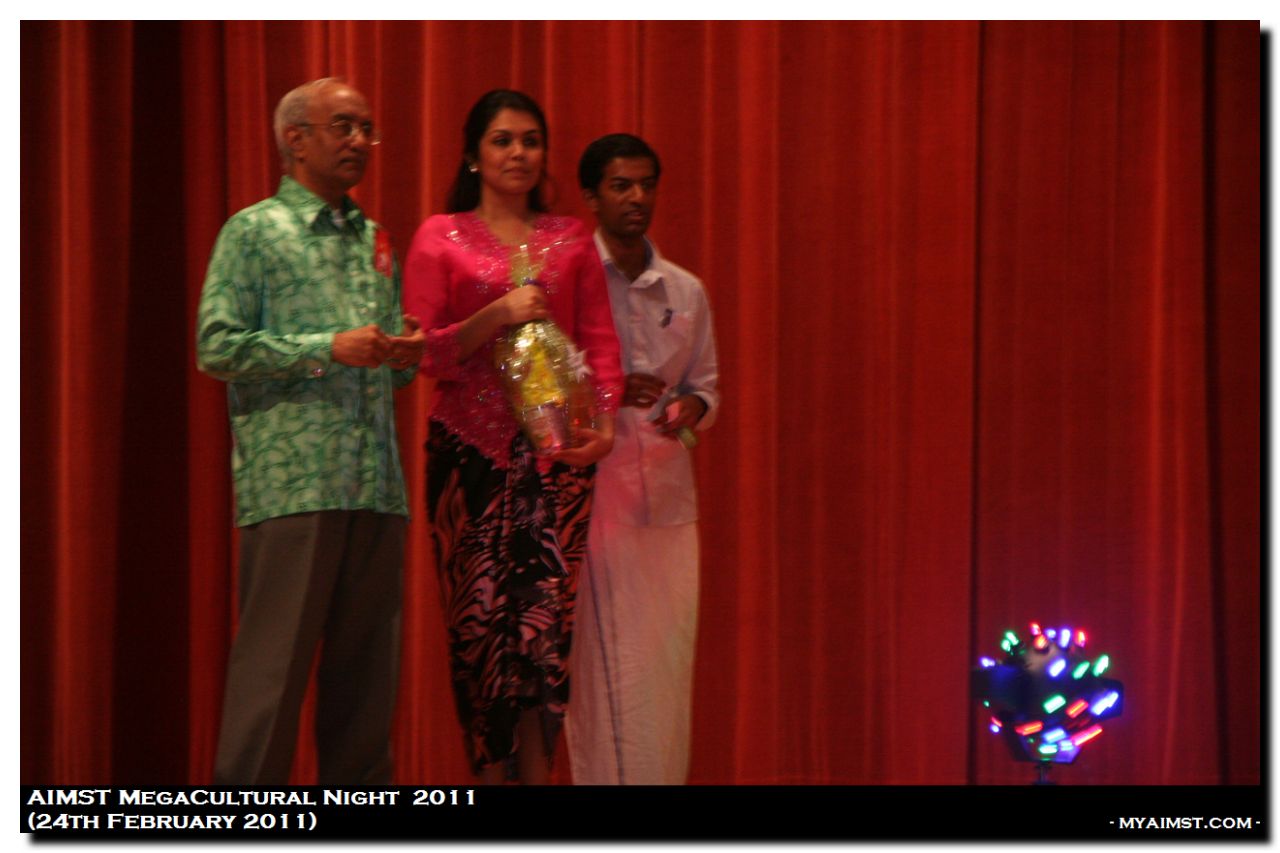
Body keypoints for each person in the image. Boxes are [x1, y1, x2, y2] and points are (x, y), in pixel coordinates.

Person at [196, 77, 423, 784]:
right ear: (295, 139)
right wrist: (327, 347)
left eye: (367, 129)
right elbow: (216, 345)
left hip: (376, 485)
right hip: (294, 486)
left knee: (366, 700)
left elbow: (386, 366)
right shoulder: (254, 230)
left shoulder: (374, 238)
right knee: (270, 688)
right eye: (343, 127)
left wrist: (401, 352)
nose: (360, 141)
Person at [403, 90, 623, 784]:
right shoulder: (440, 236)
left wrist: (604, 424)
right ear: (473, 154)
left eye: (530, 140)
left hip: (557, 462)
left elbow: (599, 342)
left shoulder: (572, 238)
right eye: (502, 140)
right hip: (468, 459)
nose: (518, 153)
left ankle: (537, 778)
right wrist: (496, 314)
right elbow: (421, 352)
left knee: (544, 639)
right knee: (480, 640)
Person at [565, 134, 720, 785]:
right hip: (596, 504)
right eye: (620, 185)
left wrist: (691, 409)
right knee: (605, 677)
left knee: (664, 671)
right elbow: (539, 388)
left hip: (670, 504)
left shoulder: (685, 289)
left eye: (646, 184)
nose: (637, 197)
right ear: (591, 196)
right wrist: (608, 388)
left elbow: (707, 388)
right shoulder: (567, 281)